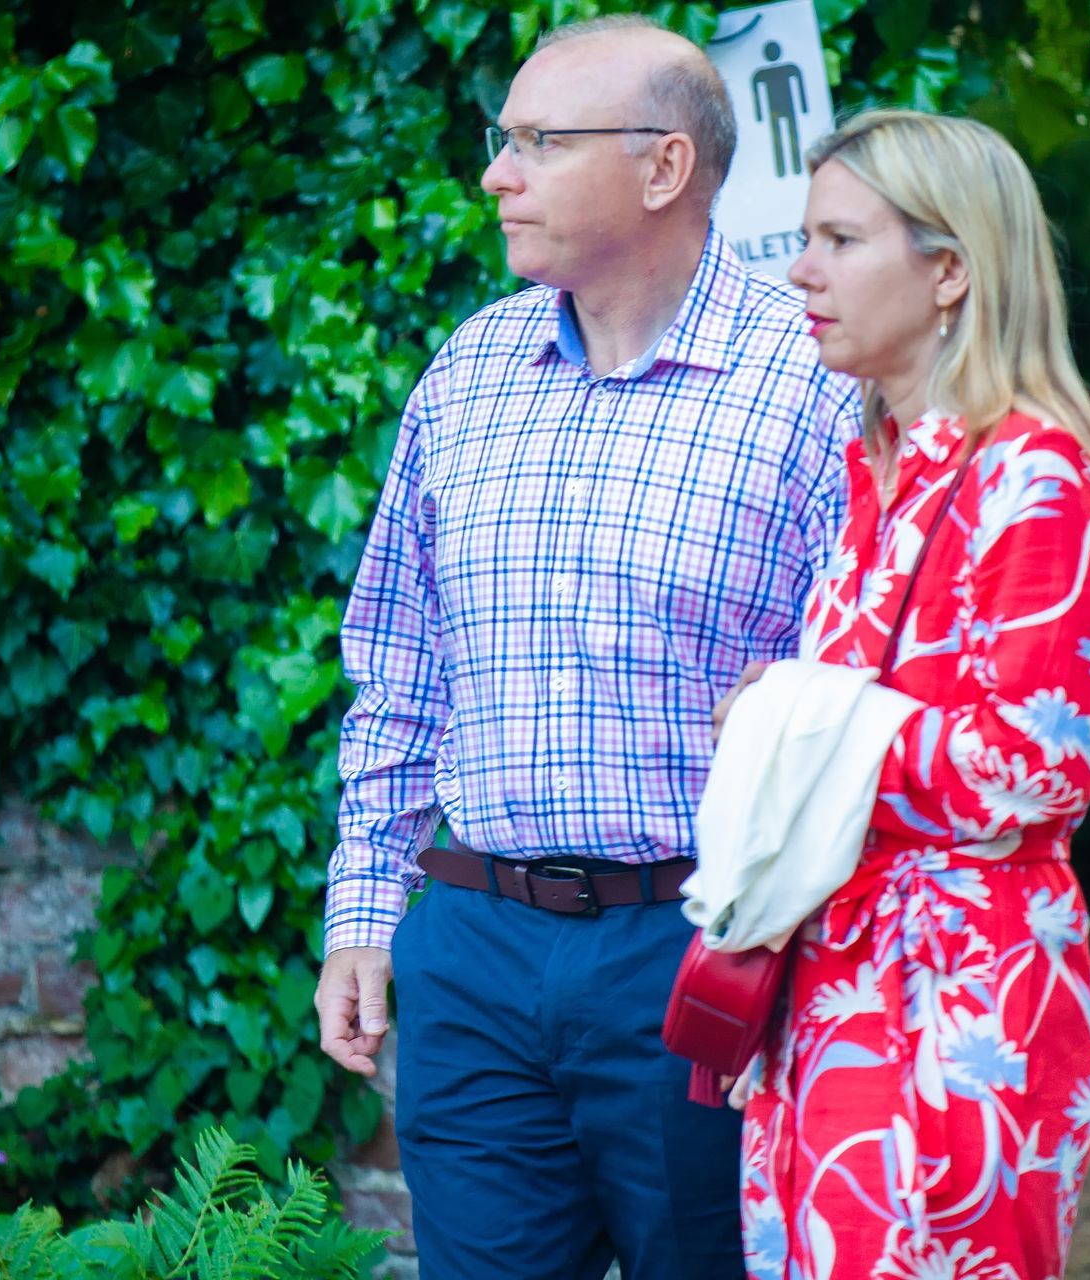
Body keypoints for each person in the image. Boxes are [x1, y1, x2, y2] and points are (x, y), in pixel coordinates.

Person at [311, 15, 860, 1279]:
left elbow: (856, 698)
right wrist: (366, 911)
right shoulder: (468, 371)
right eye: (502, 140)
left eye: (539, 143)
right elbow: (399, 667)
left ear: (665, 168)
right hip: (474, 950)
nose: (497, 171)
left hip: (702, 953)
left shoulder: (815, 384)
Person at [716, 110, 1090, 1280]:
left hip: (961, 998)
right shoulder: (874, 467)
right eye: (807, 237)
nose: (801, 269)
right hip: (833, 976)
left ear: (948, 270)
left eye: (839, 239)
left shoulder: (1035, 473)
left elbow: (1035, 771)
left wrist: (799, 719)